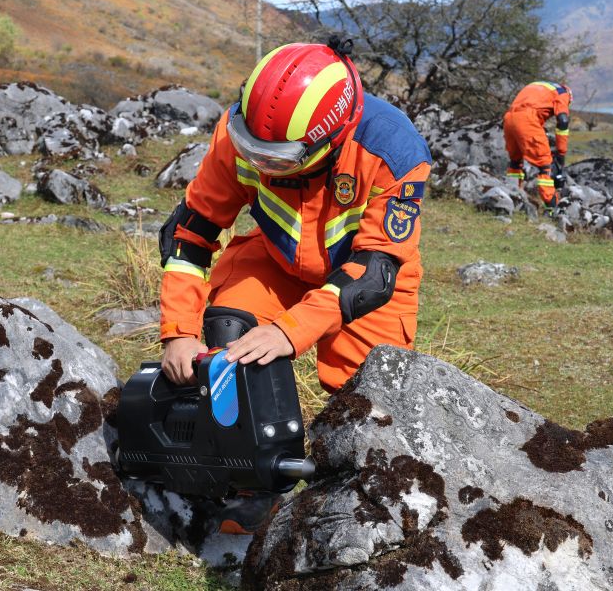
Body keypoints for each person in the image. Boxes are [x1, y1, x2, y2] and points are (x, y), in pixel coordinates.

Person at [157, 37, 432, 534]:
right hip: (276, 256)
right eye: (252, 151)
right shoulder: (241, 131)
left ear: (331, 139)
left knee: (369, 404)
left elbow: (373, 273)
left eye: (276, 158)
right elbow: (191, 233)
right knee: (228, 333)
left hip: (360, 282)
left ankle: (351, 509)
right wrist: (178, 331)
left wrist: (289, 332)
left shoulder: (394, 150)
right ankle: (247, 489)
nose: (260, 163)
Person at [503, 81, 573, 213]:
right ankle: (552, 208)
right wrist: (561, 153)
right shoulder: (562, 93)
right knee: (545, 165)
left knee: (515, 163)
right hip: (527, 119)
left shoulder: (539, 86)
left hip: (509, 118)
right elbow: (563, 121)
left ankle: (511, 198)